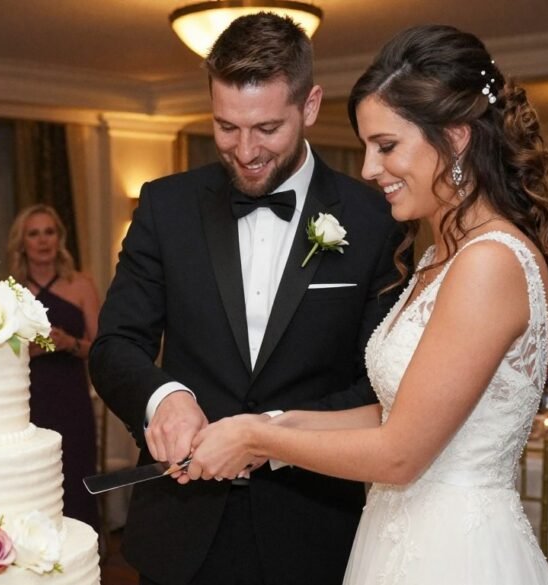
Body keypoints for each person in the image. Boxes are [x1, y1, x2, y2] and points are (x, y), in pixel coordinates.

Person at [186, 24, 548, 584]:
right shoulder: (440, 256)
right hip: (397, 535)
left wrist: (255, 439)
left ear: (457, 138)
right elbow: (400, 413)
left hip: (454, 554)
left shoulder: (490, 262)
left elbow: (400, 454)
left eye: (387, 146)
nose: (369, 169)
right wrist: (276, 423)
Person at [90, 13, 403, 585]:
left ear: (309, 107)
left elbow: (380, 384)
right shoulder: (167, 207)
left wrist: (272, 437)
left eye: (266, 128)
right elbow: (114, 345)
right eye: (226, 127)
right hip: (181, 532)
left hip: (313, 529)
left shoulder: (377, 218)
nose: (245, 150)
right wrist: (163, 398)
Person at [7, 204, 101, 534]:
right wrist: (24, 354)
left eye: (49, 232)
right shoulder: (9, 292)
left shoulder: (81, 285)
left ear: (59, 238)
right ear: (22, 242)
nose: (43, 240)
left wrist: (69, 344)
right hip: (27, 404)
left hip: (71, 400)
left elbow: (104, 350)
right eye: (34, 233)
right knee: (30, 482)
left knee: (74, 477)